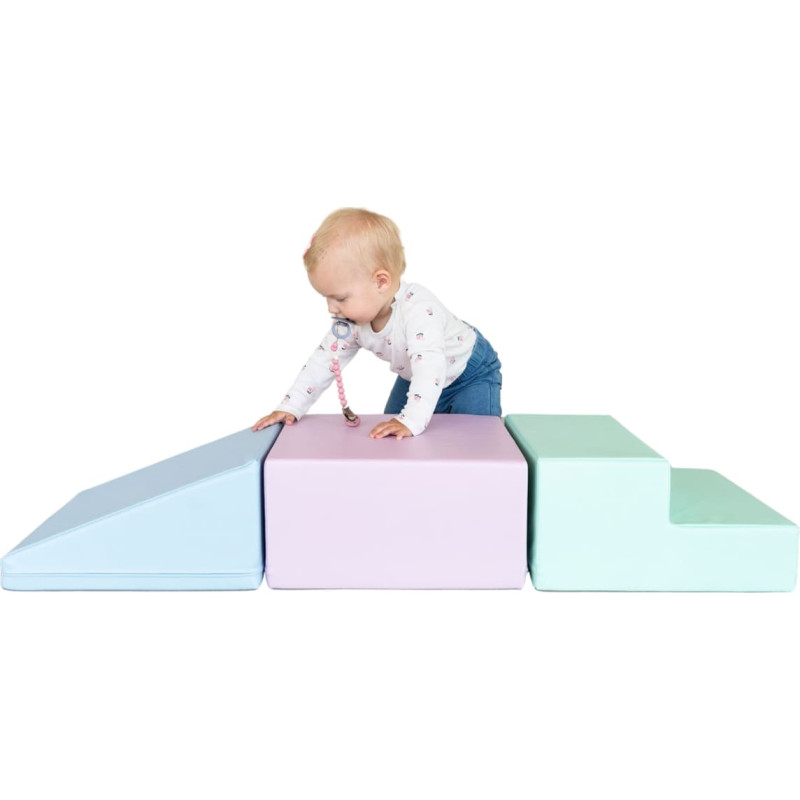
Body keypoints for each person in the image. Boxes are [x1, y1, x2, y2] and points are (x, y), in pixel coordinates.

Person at [251, 208, 502, 439]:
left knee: (477, 440)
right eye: (326, 298)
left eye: (340, 298)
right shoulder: (352, 322)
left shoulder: (418, 310)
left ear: (380, 282)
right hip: (416, 374)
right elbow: (323, 361)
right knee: (389, 432)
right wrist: (291, 406)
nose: (331, 308)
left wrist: (412, 419)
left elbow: (430, 367)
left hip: (469, 373)